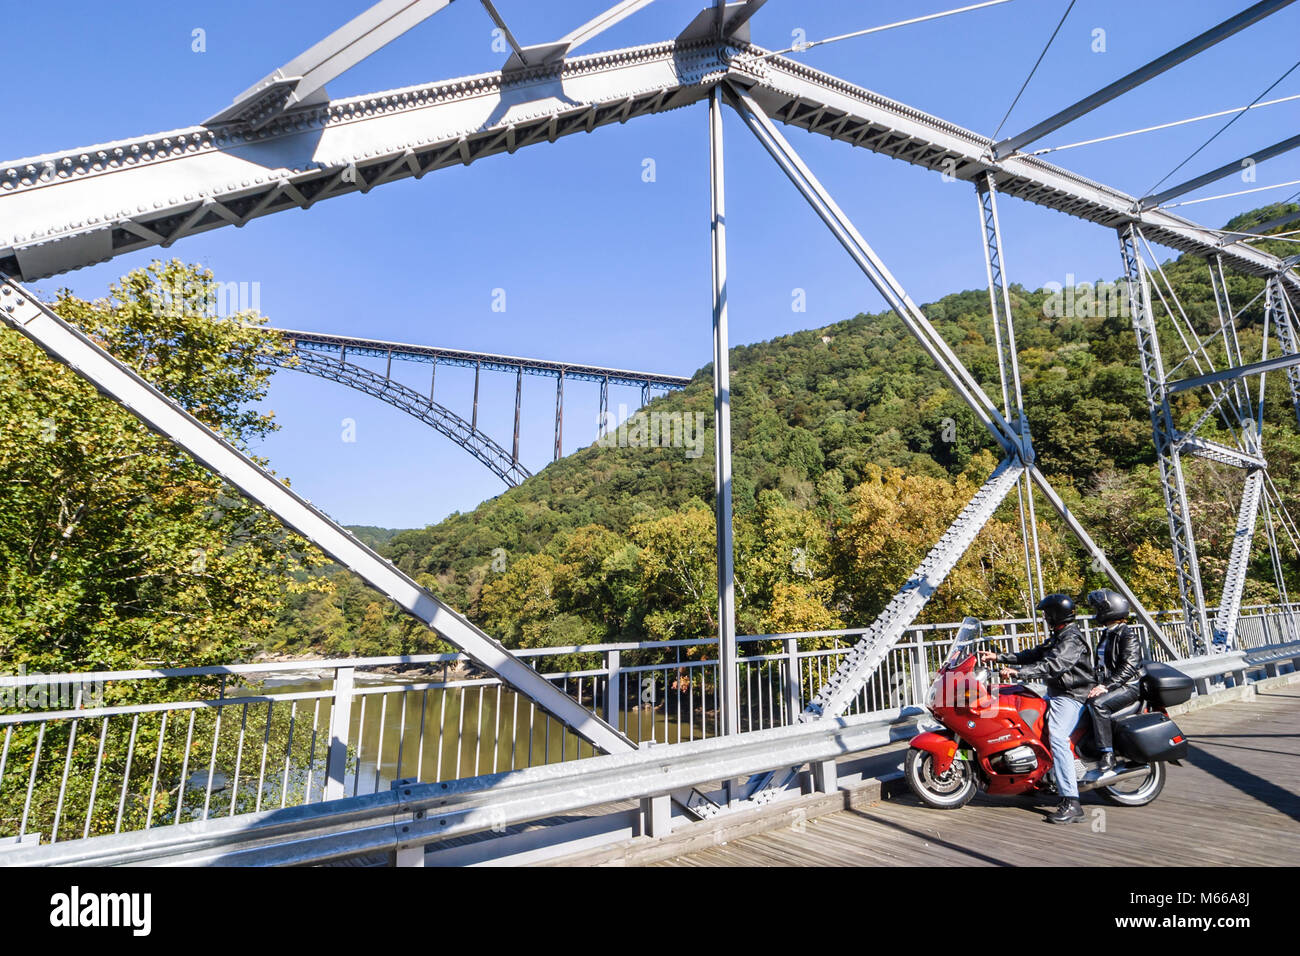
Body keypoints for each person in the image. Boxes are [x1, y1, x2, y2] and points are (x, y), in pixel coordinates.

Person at [979, 593, 1094, 824]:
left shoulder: (1071, 639)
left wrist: (1019, 673)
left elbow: (1055, 665)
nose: (1044, 618)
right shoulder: (1060, 635)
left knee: (1058, 737)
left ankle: (1072, 802)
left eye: (1045, 614)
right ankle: (1034, 778)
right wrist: (999, 657)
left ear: (1054, 615)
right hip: (1058, 693)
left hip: (1072, 696)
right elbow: (1034, 654)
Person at [1084, 588, 1143, 773]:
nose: (1096, 613)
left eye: (1099, 609)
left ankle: (1107, 753)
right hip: (1112, 684)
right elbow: (1101, 664)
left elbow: (1129, 667)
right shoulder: (1107, 633)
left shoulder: (1127, 635)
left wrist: (1105, 686)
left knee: (1098, 705)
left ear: (1110, 609)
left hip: (1128, 686)